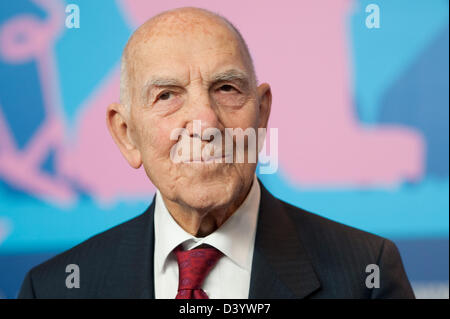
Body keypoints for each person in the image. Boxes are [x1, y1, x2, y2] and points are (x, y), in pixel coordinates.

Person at [18, 7, 414, 299]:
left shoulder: (366, 274)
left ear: (261, 116)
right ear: (127, 135)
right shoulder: (54, 289)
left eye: (226, 88)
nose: (205, 122)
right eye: (167, 95)